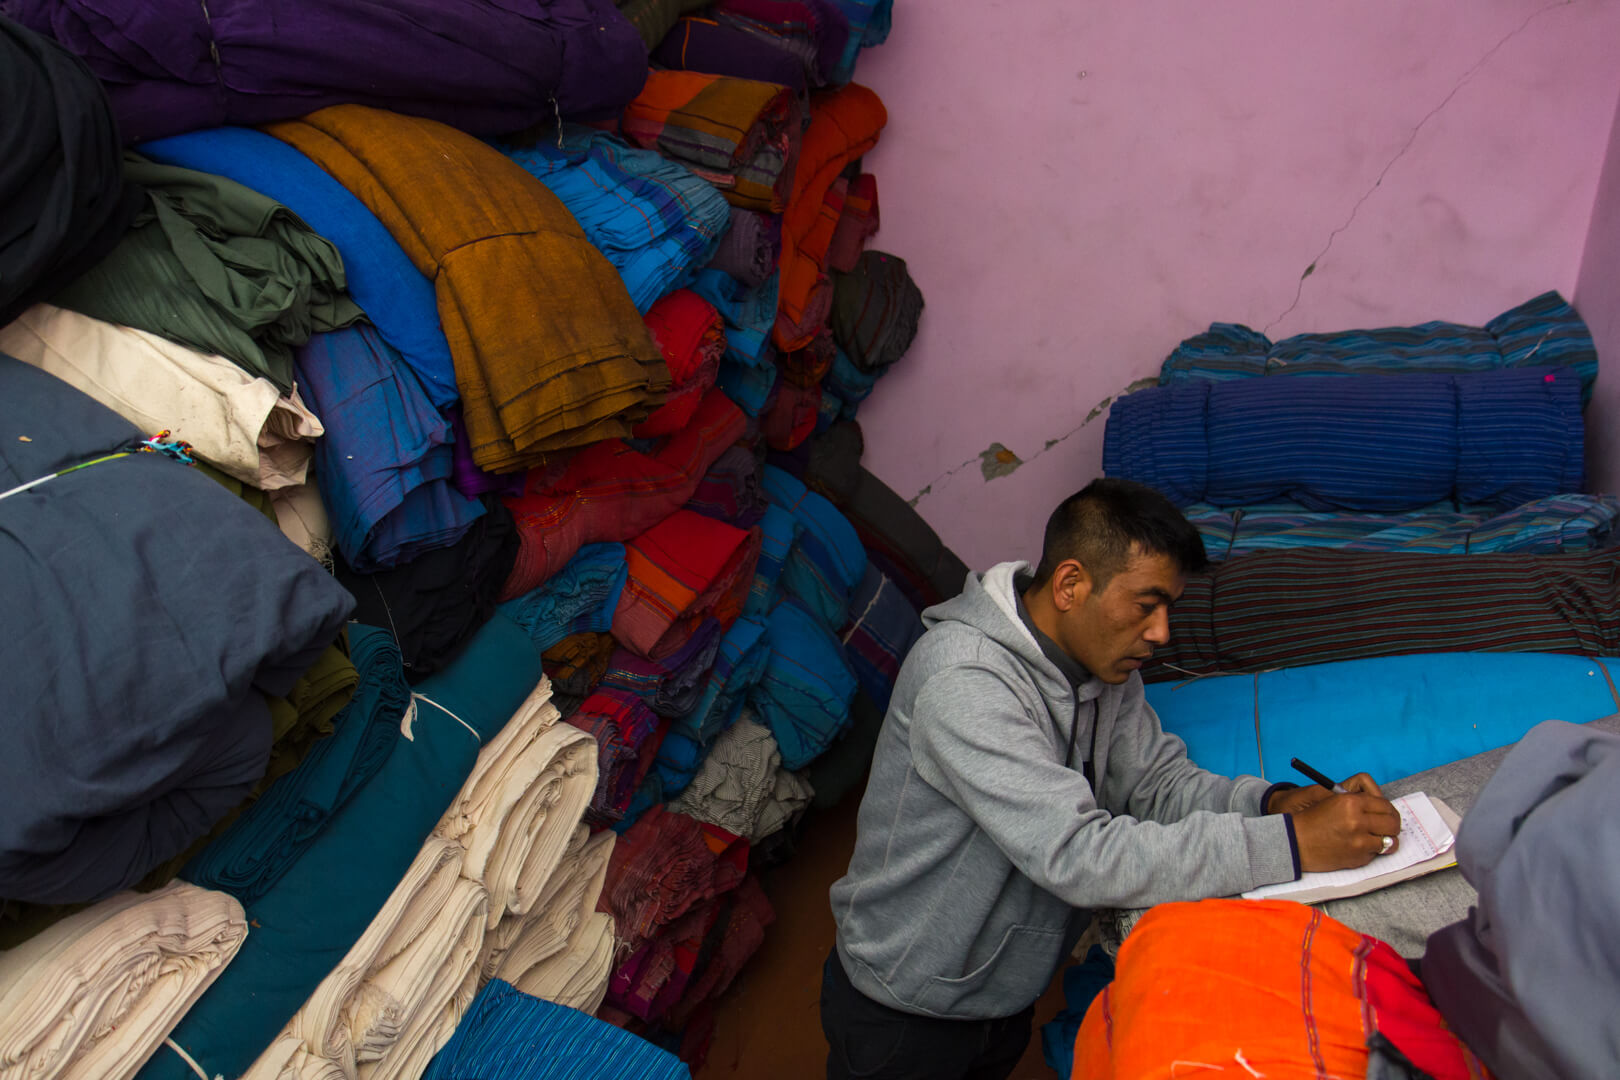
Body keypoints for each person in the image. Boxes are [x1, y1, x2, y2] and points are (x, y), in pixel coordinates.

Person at [822, 478, 1402, 1080]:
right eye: (1146, 604)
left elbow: (1157, 785)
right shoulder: (963, 682)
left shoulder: (1101, 667)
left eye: (1168, 608)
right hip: (908, 1003)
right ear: (1071, 585)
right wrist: (1292, 844)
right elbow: (1078, 855)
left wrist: (1273, 803)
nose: (1161, 633)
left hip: (1000, 990)